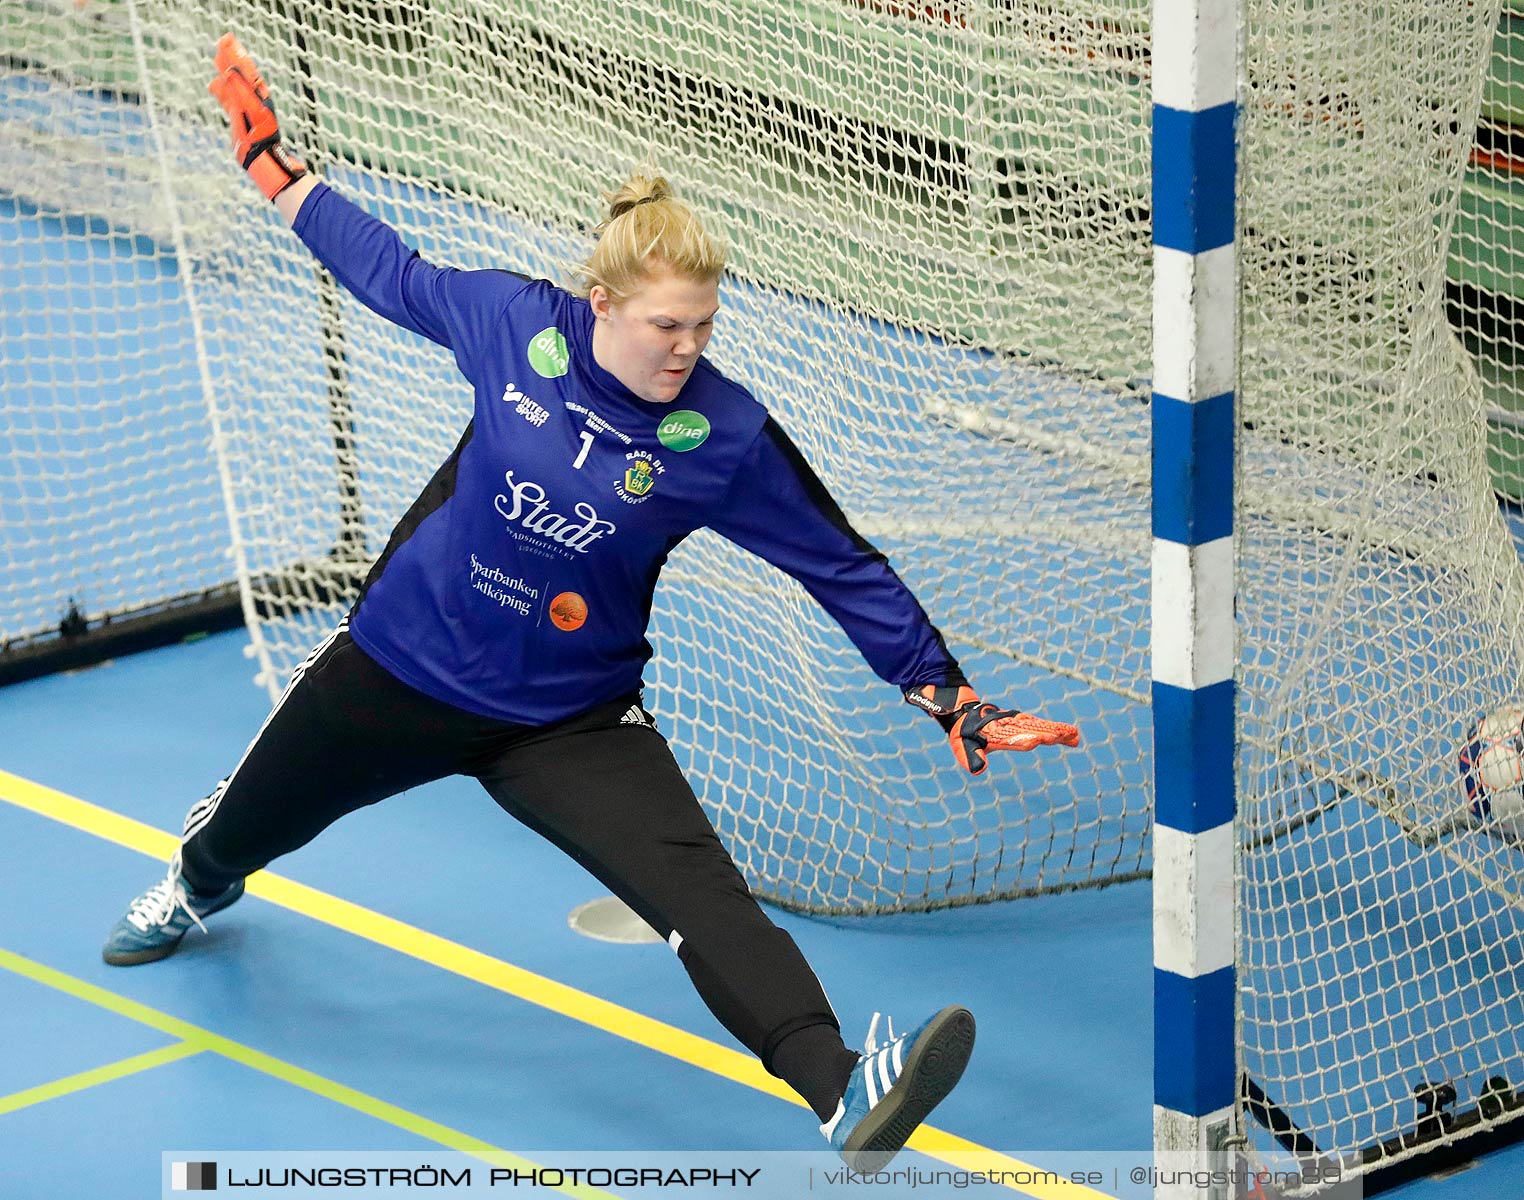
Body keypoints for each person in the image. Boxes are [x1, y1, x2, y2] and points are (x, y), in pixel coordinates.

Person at [103, 34, 1082, 1169]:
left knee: (701, 900)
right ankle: (192, 884)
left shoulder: (722, 436)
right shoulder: (513, 325)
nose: (688, 346)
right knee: (243, 832)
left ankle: (840, 1090)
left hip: (570, 722)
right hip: (400, 667)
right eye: (668, 325)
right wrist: (275, 170)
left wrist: (944, 693)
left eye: (706, 325)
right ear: (602, 302)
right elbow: (391, 270)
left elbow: (838, 562)